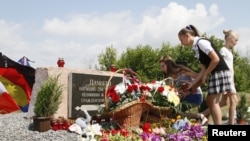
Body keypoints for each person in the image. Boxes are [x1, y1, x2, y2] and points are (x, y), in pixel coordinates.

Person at [178, 25, 234, 125]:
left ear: (187, 35)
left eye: (181, 39)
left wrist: (206, 74)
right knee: (211, 101)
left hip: (219, 72)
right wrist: (192, 86)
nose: (181, 43)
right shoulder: (196, 48)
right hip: (217, 72)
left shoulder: (201, 42)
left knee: (212, 101)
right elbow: (202, 70)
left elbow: (215, 59)